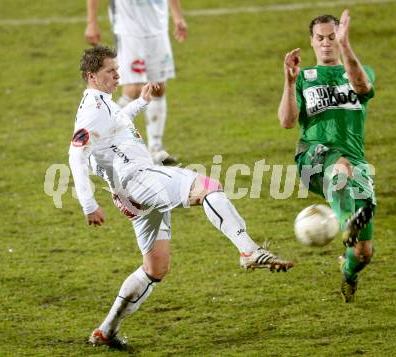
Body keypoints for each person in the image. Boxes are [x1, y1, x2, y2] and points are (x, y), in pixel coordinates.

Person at [70, 46, 293, 348]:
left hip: (129, 196)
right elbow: (76, 154)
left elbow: (114, 125)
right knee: (207, 186)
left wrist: (140, 103)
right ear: (91, 75)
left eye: (116, 68)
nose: (118, 74)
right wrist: (88, 203)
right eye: (111, 71)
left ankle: (106, 330)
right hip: (139, 179)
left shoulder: (101, 103)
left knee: (155, 268)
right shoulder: (93, 110)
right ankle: (248, 250)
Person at [278, 9, 376, 303]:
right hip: (313, 157)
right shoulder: (306, 78)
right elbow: (286, 121)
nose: (326, 43)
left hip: (354, 161)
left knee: (363, 252)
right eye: (320, 38)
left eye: (332, 37)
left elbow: (361, 88)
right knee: (339, 166)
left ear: (340, 37)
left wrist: (346, 47)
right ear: (311, 42)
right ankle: (348, 220)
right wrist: (290, 82)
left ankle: (348, 272)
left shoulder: (360, 70)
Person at [85, 0, 188, 165]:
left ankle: (155, 149)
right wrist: (92, 22)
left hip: (158, 28)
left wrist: (177, 18)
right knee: (133, 90)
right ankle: (95, 142)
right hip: (128, 31)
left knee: (158, 87)